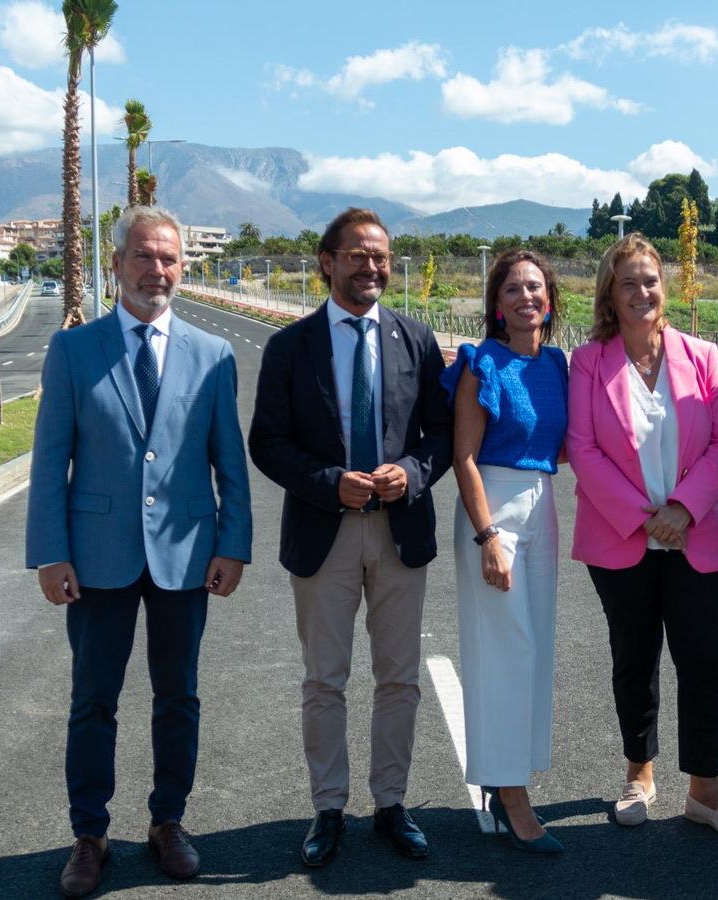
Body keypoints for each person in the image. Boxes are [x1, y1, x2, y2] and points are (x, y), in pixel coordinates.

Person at [25, 205, 252, 898]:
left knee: (177, 696)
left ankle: (167, 822)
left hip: (186, 554)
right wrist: (49, 553)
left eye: (170, 259)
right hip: (97, 556)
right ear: (117, 264)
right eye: (146, 257)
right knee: (93, 699)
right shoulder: (75, 350)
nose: (159, 270)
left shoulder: (212, 355)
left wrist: (233, 543)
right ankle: (89, 834)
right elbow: (51, 458)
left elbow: (228, 464)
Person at [248, 207, 453, 868]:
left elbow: (441, 437)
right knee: (324, 681)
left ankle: (391, 804)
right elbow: (267, 443)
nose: (372, 266)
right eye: (358, 255)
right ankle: (328, 809)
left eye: (381, 256)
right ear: (327, 263)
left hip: (399, 534)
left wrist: (415, 473)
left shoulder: (415, 340)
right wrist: (326, 481)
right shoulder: (290, 347)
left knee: (399, 680)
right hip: (323, 532)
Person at [566, 234, 718, 841]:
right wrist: (646, 518)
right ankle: (638, 774)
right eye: (629, 282)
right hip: (621, 539)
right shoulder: (588, 362)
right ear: (610, 295)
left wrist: (682, 509)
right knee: (634, 659)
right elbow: (583, 449)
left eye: (650, 280)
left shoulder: (700, 355)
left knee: (705, 660)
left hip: (693, 535)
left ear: (663, 288)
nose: (642, 291)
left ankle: (704, 791)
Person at [442, 249, 569, 854]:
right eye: (514, 289)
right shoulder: (479, 362)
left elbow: (564, 446)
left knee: (535, 648)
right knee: (504, 651)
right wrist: (487, 535)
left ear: (550, 299)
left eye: (535, 288)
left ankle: (509, 774)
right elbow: (463, 456)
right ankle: (511, 795)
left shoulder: (559, 364)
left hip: (543, 505)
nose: (526, 297)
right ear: (498, 303)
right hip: (493, 508)